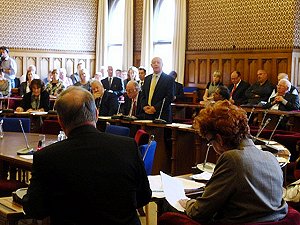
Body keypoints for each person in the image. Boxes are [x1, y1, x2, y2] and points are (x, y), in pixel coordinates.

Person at [22, 86, 152, 225]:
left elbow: (35, 209)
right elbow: (144, 196)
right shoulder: (128, 147)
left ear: (60, 121)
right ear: (96, 114)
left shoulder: (47, 157)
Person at [179, 100, 287, 224]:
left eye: (210, 142)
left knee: (170, 215)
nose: (213, 148)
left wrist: (187, 202)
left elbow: (199, 212)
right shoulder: (270, 157)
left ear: (219, 139)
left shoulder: (232, 158)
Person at [140, 57, 174, 123]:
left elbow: (169, 97)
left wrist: (155, 108)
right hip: (147, 113)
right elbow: (142, 95)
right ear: (151, 65)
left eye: (158, 62)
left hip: (162, 114)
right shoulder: (147, 78)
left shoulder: (169, 79)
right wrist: (144, 106)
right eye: (154, 63)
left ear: (162, 65)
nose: (156, 64)